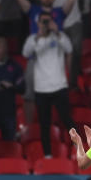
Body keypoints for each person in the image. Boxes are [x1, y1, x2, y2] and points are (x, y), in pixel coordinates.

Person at [23, 9, 75, 157]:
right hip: (41, 88)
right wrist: (39, 35)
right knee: (44, 125)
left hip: (59, 86)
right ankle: (47, 156)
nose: (45, 24)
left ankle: (78, 151)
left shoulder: (60, 37)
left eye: (48, 21)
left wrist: (57, 32)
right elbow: (26, 53)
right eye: (43, 21)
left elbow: (69, 48)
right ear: (38, 23)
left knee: (67, 120)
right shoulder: (33, 38)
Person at [0, 37, 24, 142]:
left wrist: (11, 86)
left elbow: (22, 87)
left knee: (10, 141)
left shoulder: (15, 66)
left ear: (6, 50)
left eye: (0, 50)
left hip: (8, 111)